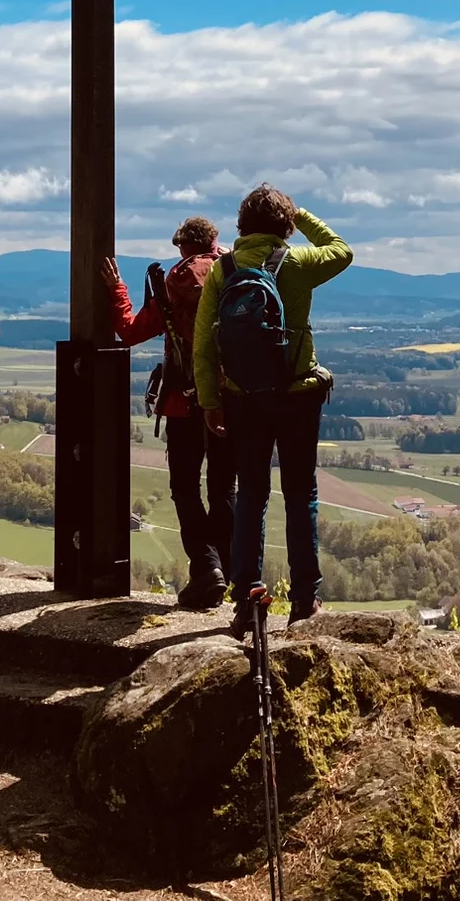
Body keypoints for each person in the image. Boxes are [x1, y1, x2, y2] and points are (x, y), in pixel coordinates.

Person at [193, 185, 352, 629]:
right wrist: (300, 214)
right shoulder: (297, 263)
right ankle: (305, 600)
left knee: (252, 496)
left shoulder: (223, 270)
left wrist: (210, 402)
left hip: (244, 398)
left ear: (242, 224)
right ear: (284, 225)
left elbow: (205, 345)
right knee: (302, 495)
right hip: (298, 394)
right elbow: (341, 251)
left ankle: (247, 602)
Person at [101, 217, 235, 610]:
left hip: (185, 401)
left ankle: (208, 567)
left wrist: (117, 289)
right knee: (225, 488)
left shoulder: (175, 281)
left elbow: (129, 330)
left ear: (182, 247)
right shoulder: (237, 270)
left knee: (185, 488)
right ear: (214, 242)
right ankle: (227, 569)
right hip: (231, 401)